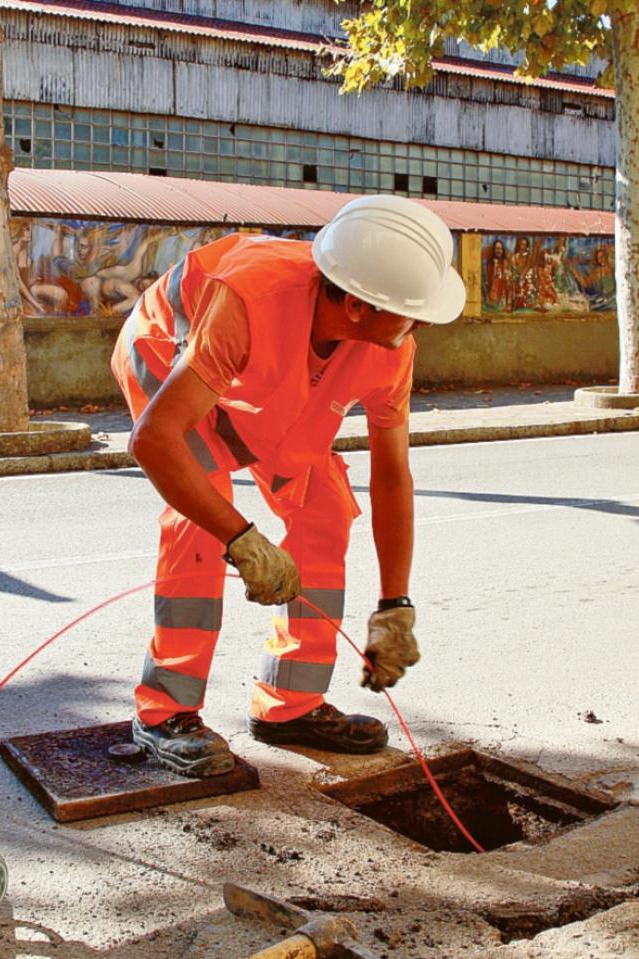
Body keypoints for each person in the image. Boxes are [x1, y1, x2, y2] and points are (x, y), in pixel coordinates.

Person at [110, 195, 465, 777]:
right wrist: (241, 538)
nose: (421, 323)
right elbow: (154, 441)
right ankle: (164, 714)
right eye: (411, 310)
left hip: (262, 375)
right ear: (355, 303)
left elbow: (393, 473)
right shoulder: (252, 298)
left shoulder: (388, 348)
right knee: (203, 514)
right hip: (168, 352)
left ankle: (289, 704)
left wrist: (395, 604)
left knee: (324, 506)